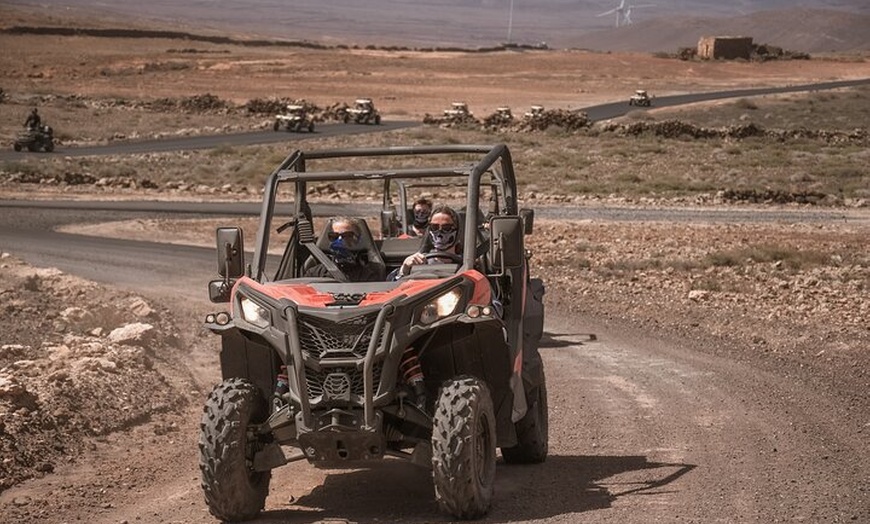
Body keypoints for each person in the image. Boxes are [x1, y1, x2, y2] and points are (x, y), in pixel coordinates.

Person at [304, 217, 381, 282]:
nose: (340, 240)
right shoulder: (314, 273)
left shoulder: (369, 275)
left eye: (347, 236)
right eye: (334, 236)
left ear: (358, 239)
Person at [395, 204, 462, 278]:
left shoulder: (466, 263)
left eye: (446, 228)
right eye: (434, 227)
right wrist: (404, 270)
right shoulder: (419, 261)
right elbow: (392, 281)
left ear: (457, 230)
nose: (439, 233)